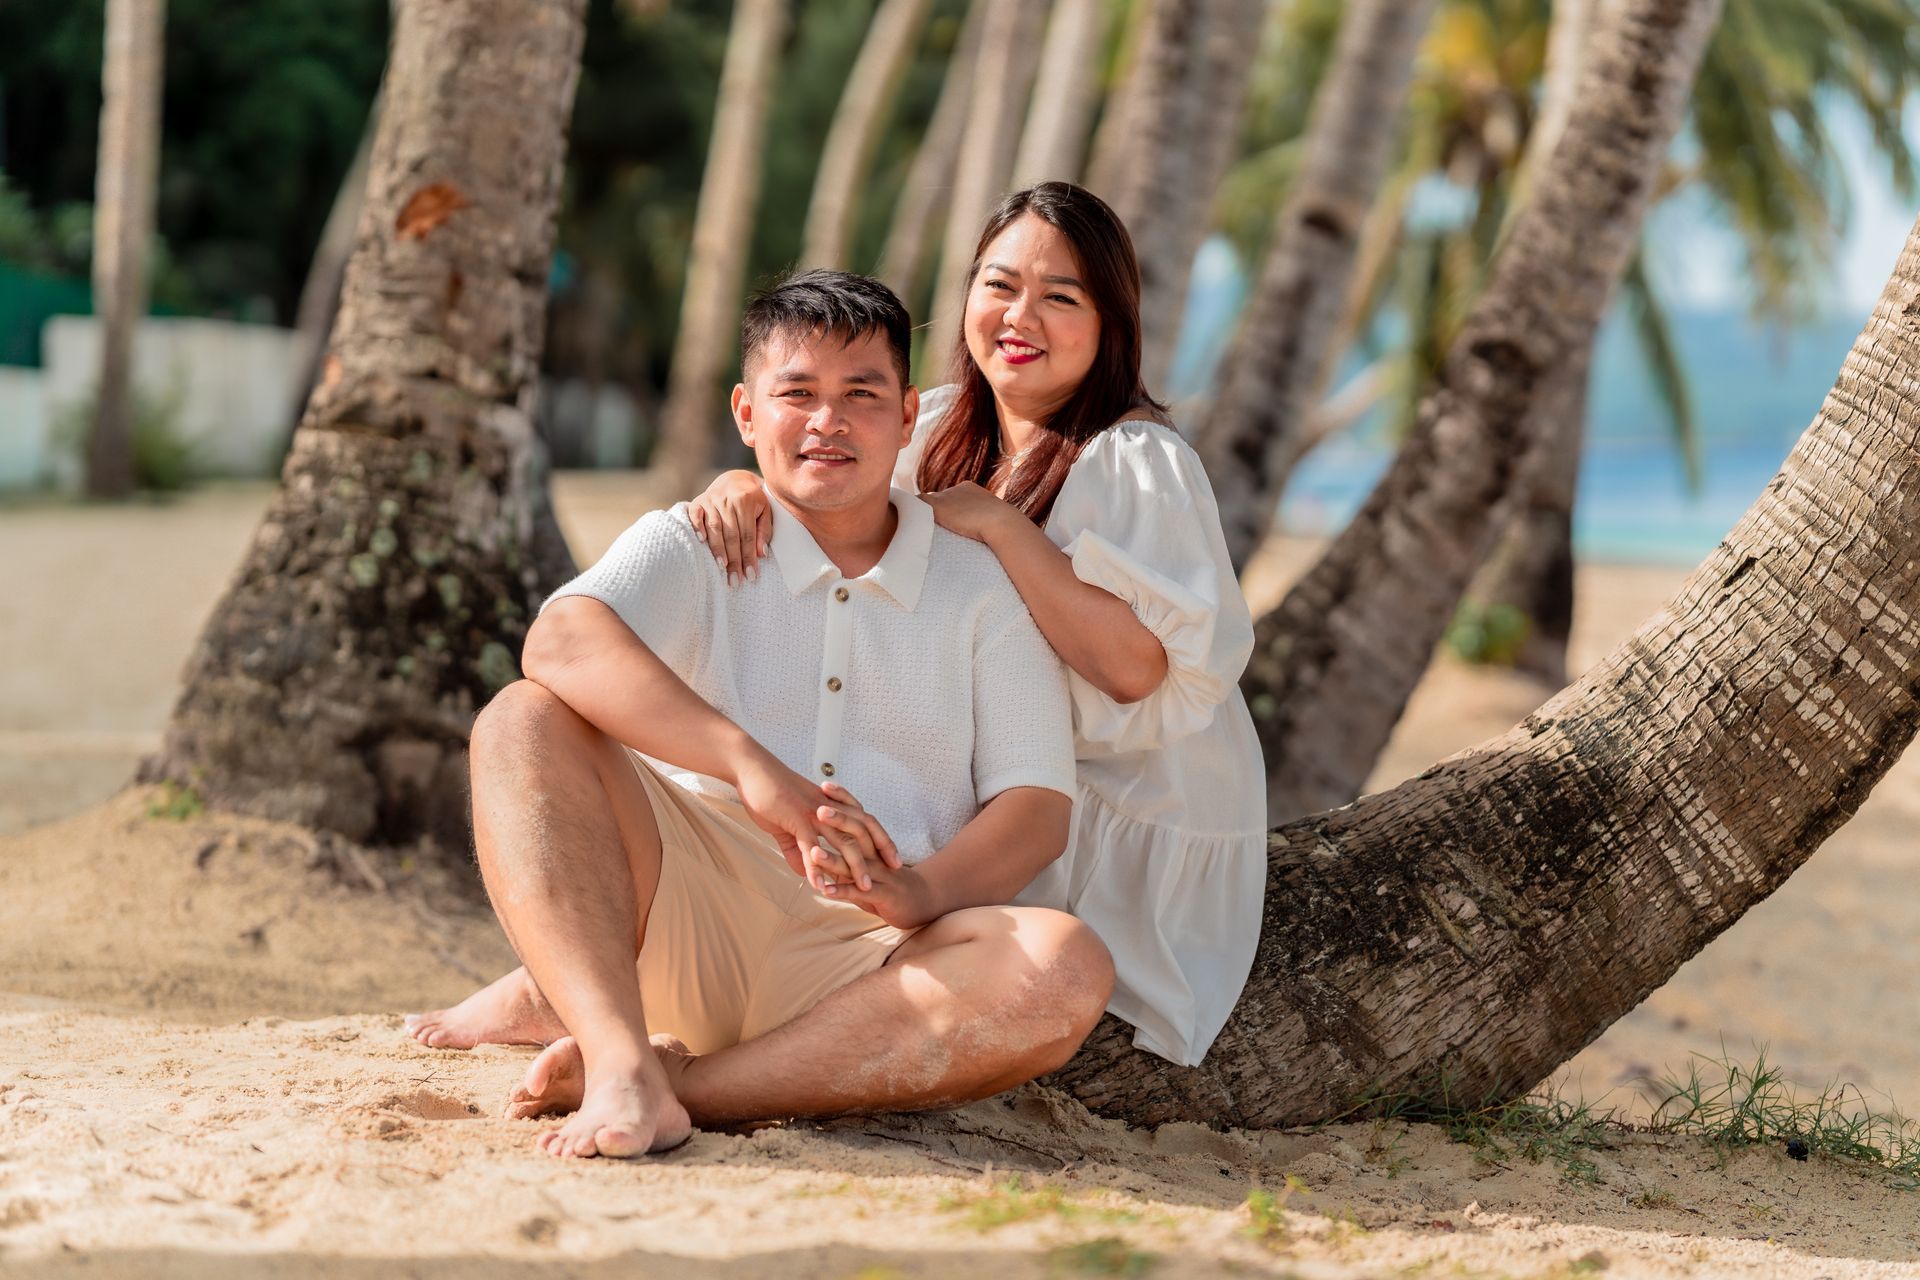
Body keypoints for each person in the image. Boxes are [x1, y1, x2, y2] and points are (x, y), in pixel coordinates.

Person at [408, 269, 1114, 1158]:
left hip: (873, 960)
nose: (828, 422)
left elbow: (1037, 807)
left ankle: (677, 1085)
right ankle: (621, 1052)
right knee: (521, 720)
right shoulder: (698, 538)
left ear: (908, 417)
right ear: (747, 413)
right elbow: (559, 642)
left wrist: (921, 892)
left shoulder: (981, 585)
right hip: (683, 902)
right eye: (798, 394)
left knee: (1065, 967)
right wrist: (753, 771)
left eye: (862, 396)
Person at [690, 182, 1265, 1067]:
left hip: (1106, 818)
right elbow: (824, 493)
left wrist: (1002, 526)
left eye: (1060, 297)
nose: (1020, 316)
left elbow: (1134, 670)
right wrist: (740, 485)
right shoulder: (935, 427)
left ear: (1110, 324)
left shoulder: (1133, 458)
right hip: (983, 779)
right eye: (1000, 285)